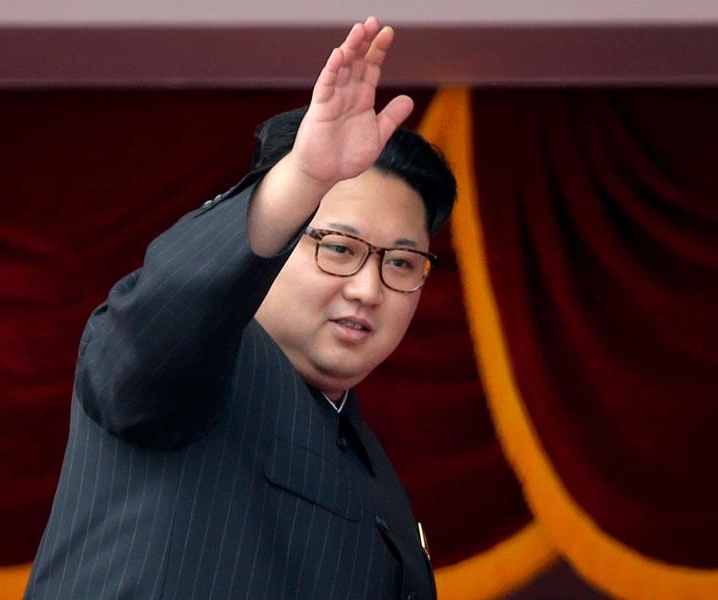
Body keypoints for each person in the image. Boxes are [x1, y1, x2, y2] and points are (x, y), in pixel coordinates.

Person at [25, 16, 456, 600]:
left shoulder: (369, 464)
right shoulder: (201, 366)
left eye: (401, 263)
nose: (367, 288)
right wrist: (302, 178)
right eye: (338, 248)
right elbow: (162, 311)